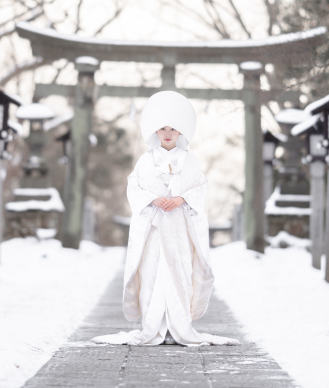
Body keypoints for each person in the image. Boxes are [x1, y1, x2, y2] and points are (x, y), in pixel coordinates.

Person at [92, 91, 239, 347]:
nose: (168, 133)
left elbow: (200, 187)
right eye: (162, 129)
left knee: (179, 273)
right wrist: (153, 199)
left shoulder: (190, 160)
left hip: (179, 228)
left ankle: (178, 327)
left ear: (180, 131)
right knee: (152, 273)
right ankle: (154, 327)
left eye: (172, 129)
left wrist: (181, 199)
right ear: (155, 131)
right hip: (154, 229)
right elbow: (134, 187)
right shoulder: (145, 161)